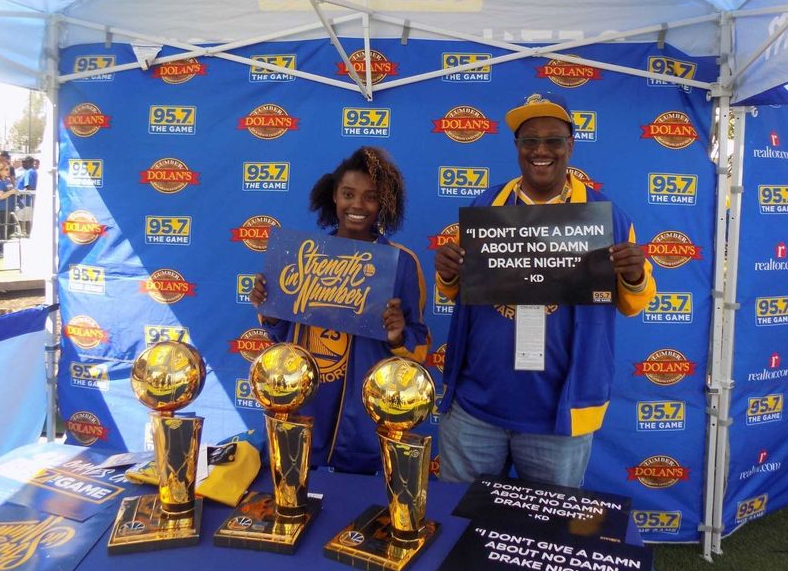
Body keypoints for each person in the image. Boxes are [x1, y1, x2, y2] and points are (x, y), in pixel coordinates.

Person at [434, 92, 656, 487]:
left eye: (553, 140)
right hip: (475, 408)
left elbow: (633, 303)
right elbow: (459, 292)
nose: (541, 150)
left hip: (558, 418)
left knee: (549, 524)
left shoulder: (607, 217)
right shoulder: (486, 206)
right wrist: (449, 273)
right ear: (517, 147)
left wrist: (635, 274)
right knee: (461, 517)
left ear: (570, 145)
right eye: (529, 140)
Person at [249, 146, 431, 474]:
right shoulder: (303, 255)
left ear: (383, 203)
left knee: (355, 500)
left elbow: (419, 347)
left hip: (364, 421)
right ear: (334, 196)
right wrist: (269, 308)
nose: (357, 205)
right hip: (306, 407)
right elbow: (282, 337)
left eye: (370, 197)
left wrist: (397, 335)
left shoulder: (402, 263)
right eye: (348, 194)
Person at [0, 161, 19, 245]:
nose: (8, 171)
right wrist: (11, 192)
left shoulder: (7, 180)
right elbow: (0, 196)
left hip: (9, 207)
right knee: (2, 229)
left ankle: (5, 245)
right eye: (6, 169)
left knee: (10, 228)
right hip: (0, 208)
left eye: (8, 169)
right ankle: (0, 248)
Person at [16, 156, 37, 236]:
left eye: (25, 162)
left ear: (31, 163)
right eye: (22, 162)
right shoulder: (32, 171)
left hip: (25, 200)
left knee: (22, 219)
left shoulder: (29, 172)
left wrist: (20, 195)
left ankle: (25, 235)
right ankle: (27, 234)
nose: (23, 164)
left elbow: (27, 187)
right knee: (27, 219)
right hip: (27, 201)